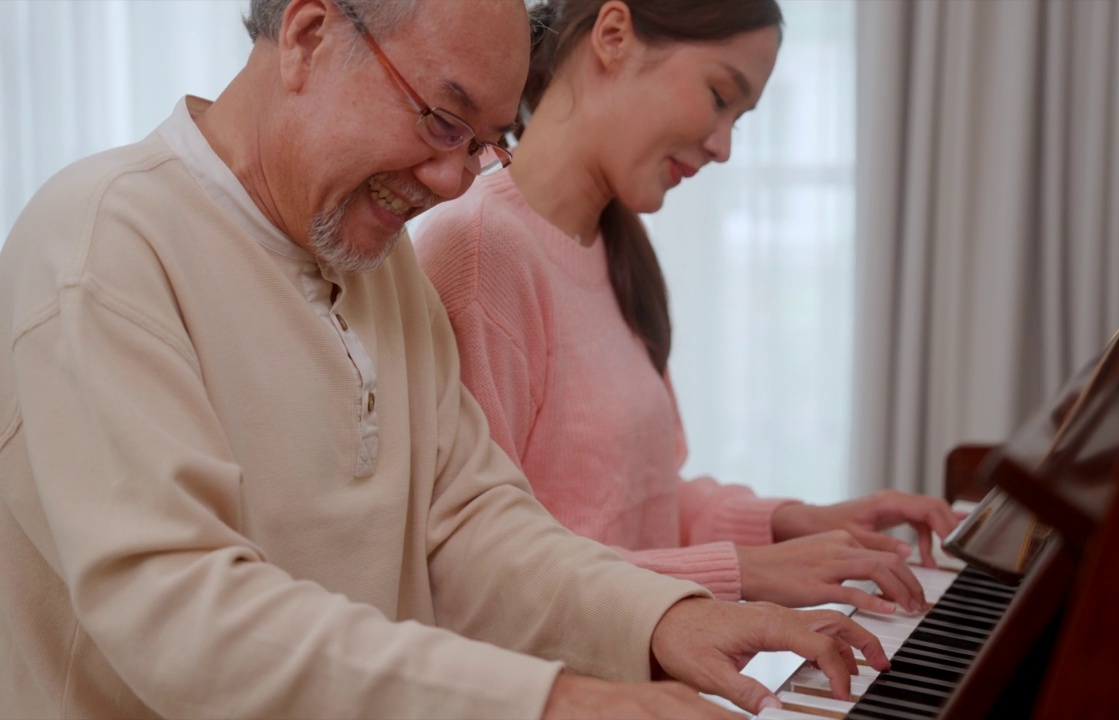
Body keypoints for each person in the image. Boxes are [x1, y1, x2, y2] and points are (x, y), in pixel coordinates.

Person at [0, 1, 892, 718]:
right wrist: (557, 699)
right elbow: (185, 619)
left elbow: (466, 521)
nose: (456, 181)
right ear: (310, 36)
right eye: (440, 120)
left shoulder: (377, 264)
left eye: (484, 143)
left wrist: (669, 617)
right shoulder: (102, 245)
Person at [414, 0, 961, 615]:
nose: (724, 146)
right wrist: (743, 572)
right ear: (614, 36)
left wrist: (795, 521)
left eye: (741, 118)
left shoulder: (615, 245)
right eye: (720, 95)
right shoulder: (480, 249)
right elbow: (486, 571)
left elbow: (635, 501)